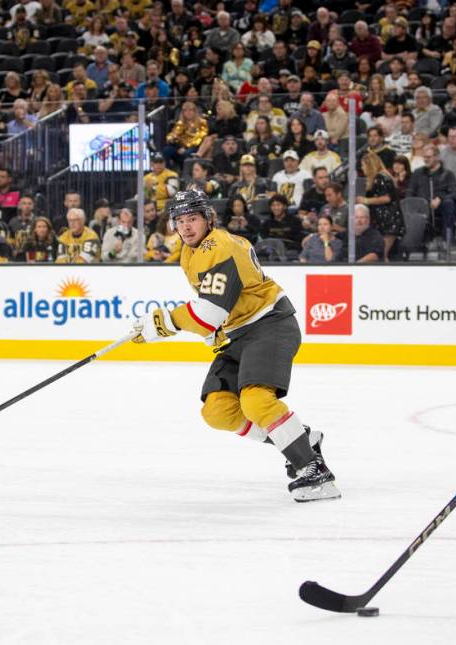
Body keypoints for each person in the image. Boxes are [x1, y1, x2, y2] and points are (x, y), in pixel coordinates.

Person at [130, 189, 340, 501]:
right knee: (218, 410)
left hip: (270, 324)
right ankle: (301, 439)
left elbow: (207, 314)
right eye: (180, 220)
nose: (186, 226)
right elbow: (214, 309)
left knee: (256, 401)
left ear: (208, 219)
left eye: (193, 219)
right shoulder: (190, 252)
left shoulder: (220, 247)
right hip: (239, 333)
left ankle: (314, 472)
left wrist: (164, 323)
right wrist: (214, 327)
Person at [408, 145, 456, 244]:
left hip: (440, 205)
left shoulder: (447, 174)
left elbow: (455, 193)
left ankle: (447, 239)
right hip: (421, 205)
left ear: (437, 157)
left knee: (449, 203)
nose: (426, 160)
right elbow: (410, 191)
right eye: (425, 157)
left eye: (429, 157)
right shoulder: (417, 173)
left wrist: (440, 198)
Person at [358, 152, 402, 261]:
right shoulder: (377, 178)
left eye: (363, 165)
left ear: (370, 165)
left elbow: (386, 198)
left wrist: (365, 200)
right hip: (383, 221)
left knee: (381, 254)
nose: (362, 168)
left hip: (389, 221)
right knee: (382, 254)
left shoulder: (382, 177)